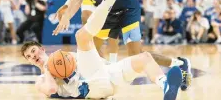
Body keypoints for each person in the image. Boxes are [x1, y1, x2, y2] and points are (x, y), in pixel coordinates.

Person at [46, 0, 192, 91]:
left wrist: (67, 15)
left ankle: (179, 64)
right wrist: (65, 5)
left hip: (127, 7)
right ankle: (96, 80)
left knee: (136, 54)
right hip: (110, 10)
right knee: (92, 48)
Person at [21, 40, 182, 99]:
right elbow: (51, 88)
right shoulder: (40, 80)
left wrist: (108, 65)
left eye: (33, 51)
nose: (32, 56)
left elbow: (92, 61)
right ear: (29, 61)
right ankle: (108, 2)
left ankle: (165, 85)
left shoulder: (65, 56)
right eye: (28, 56)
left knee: (144, 57)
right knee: (82, 37)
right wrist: (48, 69)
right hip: (91, 89)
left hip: (106, 75)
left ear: (41, 49)